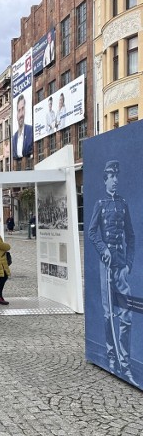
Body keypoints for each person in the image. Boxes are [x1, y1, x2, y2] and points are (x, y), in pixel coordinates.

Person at [88, 160, 137, 385]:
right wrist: (103, 249)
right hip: (105, 266)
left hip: (121, 268)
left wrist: (128, 263)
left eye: (117, 176)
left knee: (126, 315)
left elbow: (131, 236)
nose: (115, 179)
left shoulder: (124, 204)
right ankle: (111, 357)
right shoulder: (100, 203)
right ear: (105, 179)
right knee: (109, 314)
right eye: (111, 176)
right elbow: (92, 232)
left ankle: (125, 363)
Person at [11, 94, 34, 159]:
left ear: (25, 110)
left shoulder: (31, 131)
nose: (21, 114)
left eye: (23, 109)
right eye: (19, 110)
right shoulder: (14, 138)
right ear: (16, 114)